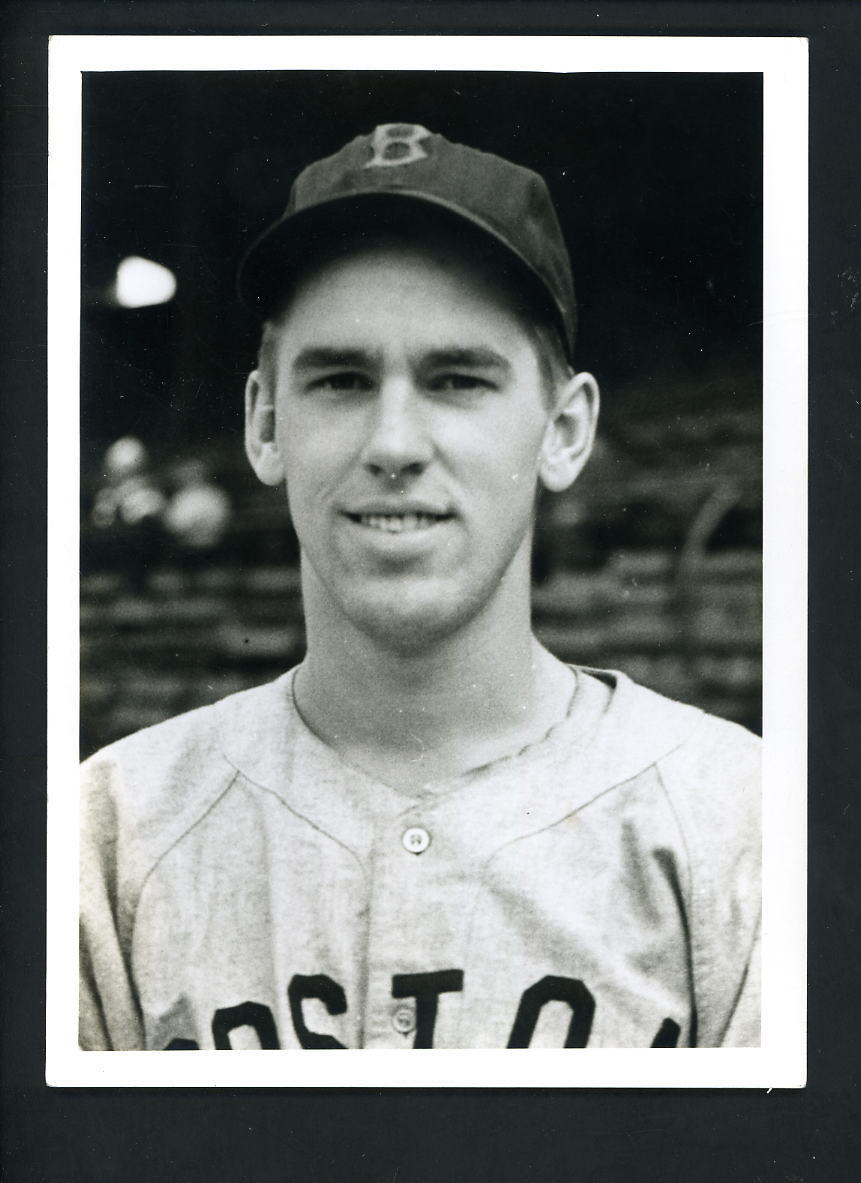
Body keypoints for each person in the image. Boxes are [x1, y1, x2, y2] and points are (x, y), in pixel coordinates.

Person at [80, 123, 760, 1050]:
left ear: (563, 431)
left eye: (456, 379)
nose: (393, 443)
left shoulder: (746, 822)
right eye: (342, 380)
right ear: (265, 423)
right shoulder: (106, 831)